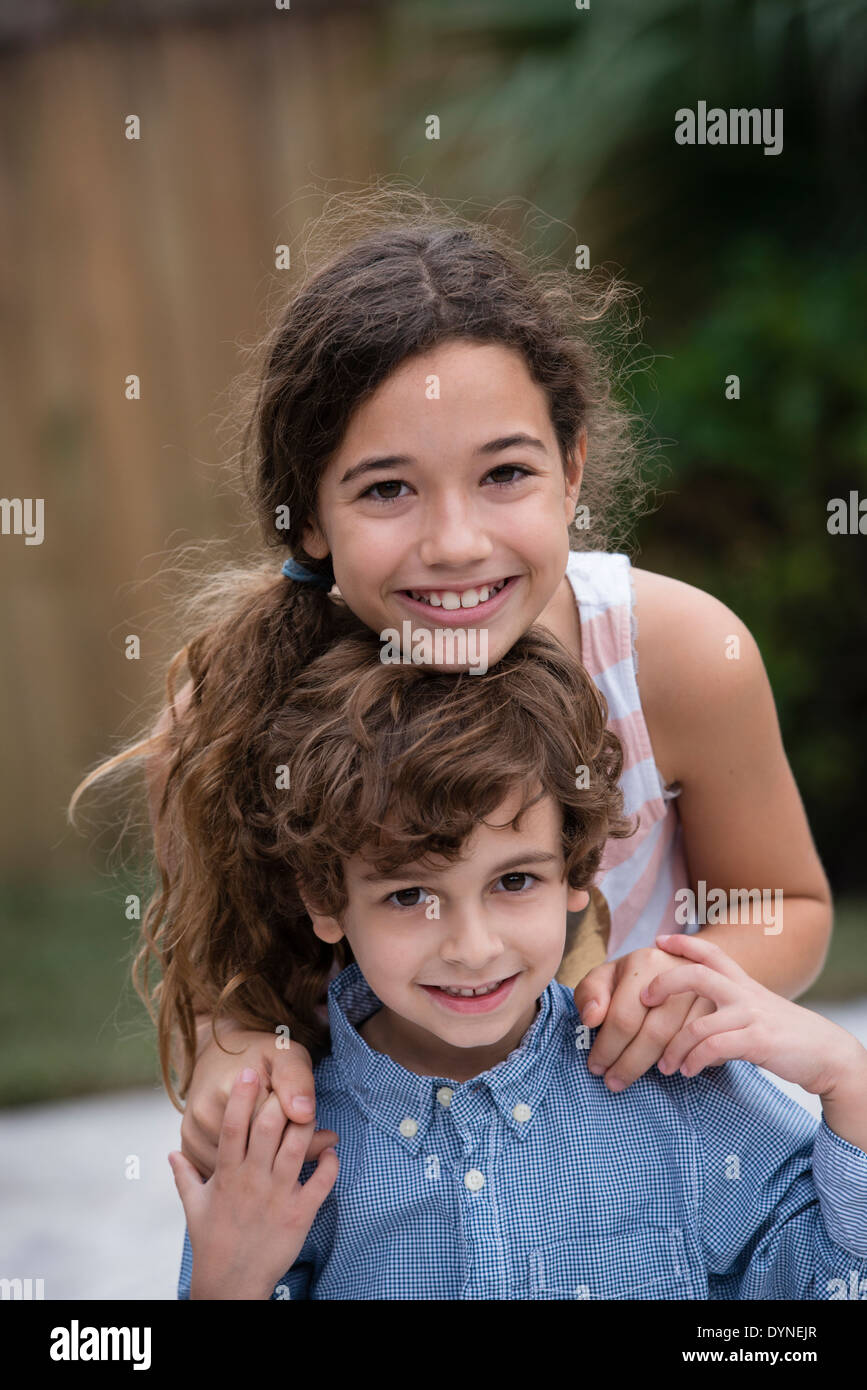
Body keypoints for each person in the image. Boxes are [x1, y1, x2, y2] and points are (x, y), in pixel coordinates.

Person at [70, 186, 833, 1180]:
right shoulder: (227, 717)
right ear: (306, 518)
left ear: (571, 467)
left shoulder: (675, 656)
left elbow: (789, 902)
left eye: (504, 473)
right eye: (387, 488)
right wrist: (235, 1045)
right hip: (412, 1181)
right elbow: (230, 978)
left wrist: (677, 979)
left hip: (652, 1149)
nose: (457, 542)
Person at [168, 628, 867, 1300]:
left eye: (513, 882)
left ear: (577, 868)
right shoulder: (283, 1150)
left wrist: (848, 1079)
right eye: (409, 895)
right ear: (325, 896)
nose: (471, 947)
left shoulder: (680, 1095)